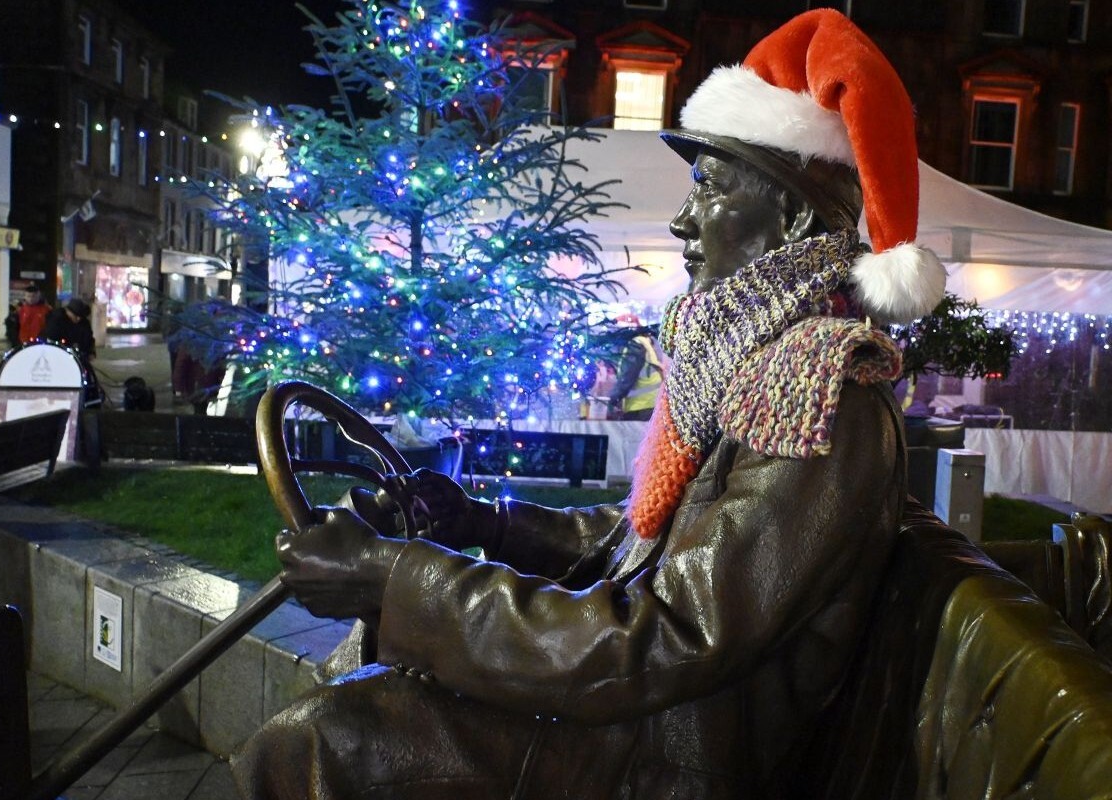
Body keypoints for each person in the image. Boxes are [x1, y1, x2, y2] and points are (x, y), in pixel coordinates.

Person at [233, 10, 945, 799]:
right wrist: (480, 521)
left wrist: (399, 577)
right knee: (354, 691)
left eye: (708, 188)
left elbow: (666, 637)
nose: (680, 221)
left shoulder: (817, 396)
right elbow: (633, 545)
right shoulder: (751, 363)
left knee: (319, 742)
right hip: (645, 724)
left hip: (665, 757)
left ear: (799, 218)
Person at [606, 314, 664, 421]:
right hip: (651, 403)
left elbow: (627, 376)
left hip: (641, 406)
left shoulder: (634, 345)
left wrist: (612, 400)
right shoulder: (645, 341)